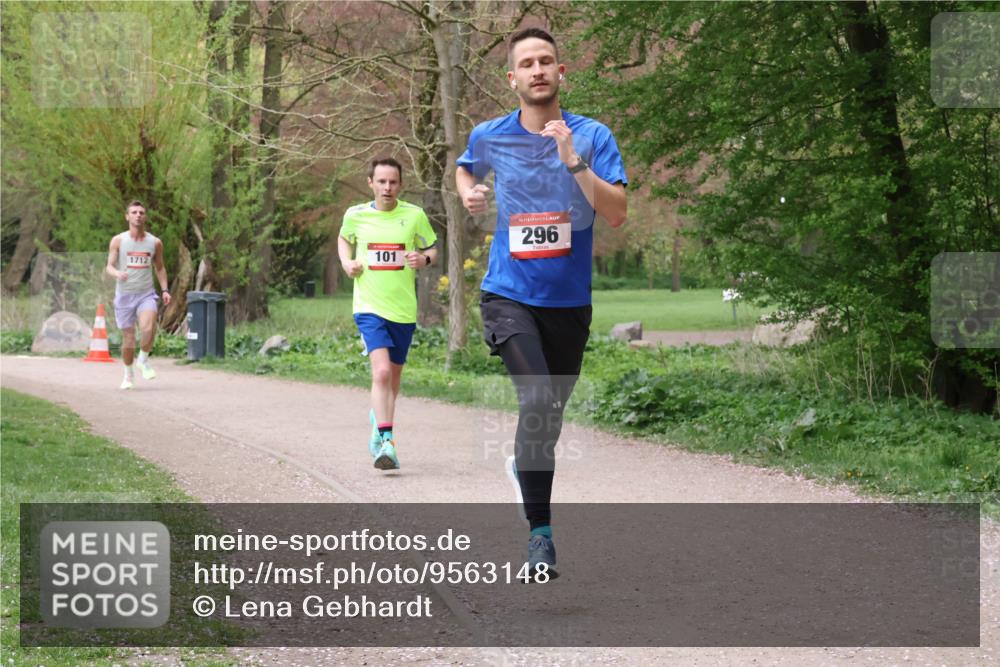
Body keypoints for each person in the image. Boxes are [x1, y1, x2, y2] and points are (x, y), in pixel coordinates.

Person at [456, 27, 627, 580]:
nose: (536, 70)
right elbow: (466, 167)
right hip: (509, 294)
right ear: (512, 79)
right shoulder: (490, 135)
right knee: (536, 400)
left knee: (546, 421)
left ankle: (523, 468)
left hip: (568, 303)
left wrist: (573, 160)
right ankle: (540, 540)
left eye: (545, 61)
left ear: (560, 73)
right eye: (526, 63)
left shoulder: (593, 135)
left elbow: (619, 212)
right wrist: (470, 193)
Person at [339, 157, 438, 470]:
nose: (387, 187)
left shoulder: (414, 215)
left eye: (393, 182)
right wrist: (346, 263)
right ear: (370, 183)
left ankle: (377, 418)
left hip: (403, 309)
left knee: (393, 378)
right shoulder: (355, 215)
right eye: (381, 181)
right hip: (369, 306)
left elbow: (433, 247)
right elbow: (344, 238)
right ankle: (386, 442)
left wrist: (424, 260)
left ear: (401, 184)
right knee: (381, 372)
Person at [106, 200, 172, 390]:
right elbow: (109, 266)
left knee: (148, 328)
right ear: (127, 217)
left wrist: (165, 290)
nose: (138, 215)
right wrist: (117, 273)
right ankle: (128, 374)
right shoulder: (118, 240)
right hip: (124, 295)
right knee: (128, 339)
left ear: (145, 217)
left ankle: (143, 360)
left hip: (146, 294)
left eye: (141, 212)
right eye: (134, 212)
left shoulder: (155, 242)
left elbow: (159, 267)